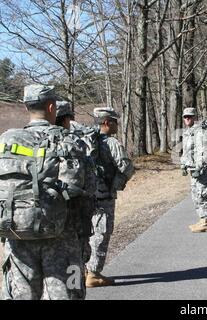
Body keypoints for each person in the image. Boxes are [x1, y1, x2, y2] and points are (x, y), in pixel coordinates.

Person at [1, 85, 87, 300]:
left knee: (20, 294)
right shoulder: (69, 141)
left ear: (27, 107)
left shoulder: (6, 140)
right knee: (66, 293)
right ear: (51, 107)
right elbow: (85, 192)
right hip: (62, 236)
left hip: (15, 232)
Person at [85, 107, 134, 287]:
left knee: (85, 232)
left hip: (84, 197)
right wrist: (115, 185)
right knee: (101, 233)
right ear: (106, 122)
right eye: (114, 122)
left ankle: (83, 269)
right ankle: (94, 274)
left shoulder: (84, 141)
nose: (117, 125)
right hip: (103, 197)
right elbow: (127, 168)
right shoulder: (111, 143)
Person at [55, 100, 97, 271]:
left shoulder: (21, 140)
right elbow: (85, 189)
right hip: (70, 224)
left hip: (30, 226)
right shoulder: (73, 144)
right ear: (67, 120)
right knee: (72, 280)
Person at [180, 107, 207, 233]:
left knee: (203, 194)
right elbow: (187, 151)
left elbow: (203, 152)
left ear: (194, 117)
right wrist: (183, 164)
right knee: (196, 195)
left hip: (201, 170)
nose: (187, 118)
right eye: (185, 117)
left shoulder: (200, 132)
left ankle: (205, 222)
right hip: (192, 169)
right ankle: (201, 220)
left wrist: (199, 168)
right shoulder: (188, 132)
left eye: (189, 116)